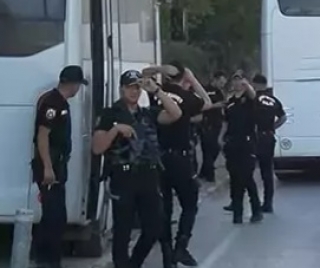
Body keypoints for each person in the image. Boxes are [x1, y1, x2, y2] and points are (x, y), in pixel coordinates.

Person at [92, 70, 182, 268]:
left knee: (154, 228)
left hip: (148, 176)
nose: (133, 91)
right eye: (129, 87)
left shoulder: (147, 113)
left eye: (137, 87)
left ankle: (134, 264)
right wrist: (116, 130)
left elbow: (176, 114)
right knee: (122, 232)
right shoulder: (110, 114)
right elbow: (97, 148)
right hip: (123, 177)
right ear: (121, 89)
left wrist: (156, 91)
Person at [148, 62, 212, 268]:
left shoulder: (157, 93)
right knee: (190, 203)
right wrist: (192, 79)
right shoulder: (188, 97)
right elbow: (208, 103)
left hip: (160, 157)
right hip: (181, 158)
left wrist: (159, 69)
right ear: (183, 76)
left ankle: (167, 256)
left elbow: (144, 74)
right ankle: (181, 247)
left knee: (164, 209)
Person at [31, 65, 87, 268]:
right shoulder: (52, 103)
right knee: (54, 216)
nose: (78, 89)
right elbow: (42, 136)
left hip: (57, 165)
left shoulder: (60, 102)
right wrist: (47, 167)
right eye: (78, 84)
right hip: (50, 166)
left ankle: (45, 258)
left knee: (55, 216)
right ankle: (47, 260)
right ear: (72, 84)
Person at [222, 73, 263, 224]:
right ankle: (237, 212)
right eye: (235, 80)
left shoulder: (249, 100)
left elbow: (253, 95)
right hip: (232, 142)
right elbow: (226, 121)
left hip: (246, 143)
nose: (237, 83)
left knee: (246, 177)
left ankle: (256, 209)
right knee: (234, 178)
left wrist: (247, 85)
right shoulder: (230, 102)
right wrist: (222, 138)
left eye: (240, 80)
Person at [250, 74, 286, 213]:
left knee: (248, 169)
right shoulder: (273, 100)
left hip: (255, 137)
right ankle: (268, 203)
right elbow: (283, 117)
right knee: (267, 172)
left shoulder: (254, 99)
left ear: (255, 84)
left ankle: (253, 202)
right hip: (269, 137)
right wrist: (272, 127)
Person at [199, 71, 228, 182]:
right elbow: (201, 105)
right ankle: (209, 174)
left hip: (217, 123)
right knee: (209, 148)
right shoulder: (205, 90)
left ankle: (204, 171)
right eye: (220, 82)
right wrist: (215, 105)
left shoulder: (219, 92)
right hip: (207, 122)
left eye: (223, 83)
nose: (222, 85)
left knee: (214, 148)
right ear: (215, 80)